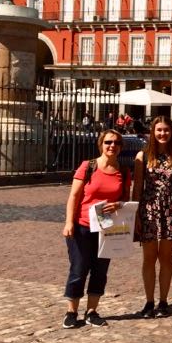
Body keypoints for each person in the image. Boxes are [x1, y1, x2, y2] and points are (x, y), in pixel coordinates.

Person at [62, 130, 131, 328]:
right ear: (101, 144)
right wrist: (69, 222)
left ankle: (92, 311)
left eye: (117, 143)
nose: (112, 146)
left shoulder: (123, 171)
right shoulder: (88, 166)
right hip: (82, 226)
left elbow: (126, 198)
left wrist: (118, 204)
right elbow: (74, 196)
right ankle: (71, 311)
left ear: (121, 147)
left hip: (107, 228)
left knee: (100, 271)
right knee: (79, 269)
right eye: (108, 142)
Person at [133, 116, 172, 318]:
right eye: (159, 130)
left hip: (170, 210)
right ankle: (149, 301)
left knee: (166, 258)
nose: (163, 133)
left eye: (166, 130)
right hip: (149, 209)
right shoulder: (143, 156)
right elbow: (137, 187)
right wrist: (135, 214)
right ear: (153, 132)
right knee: (149, 258)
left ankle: (163, 301)